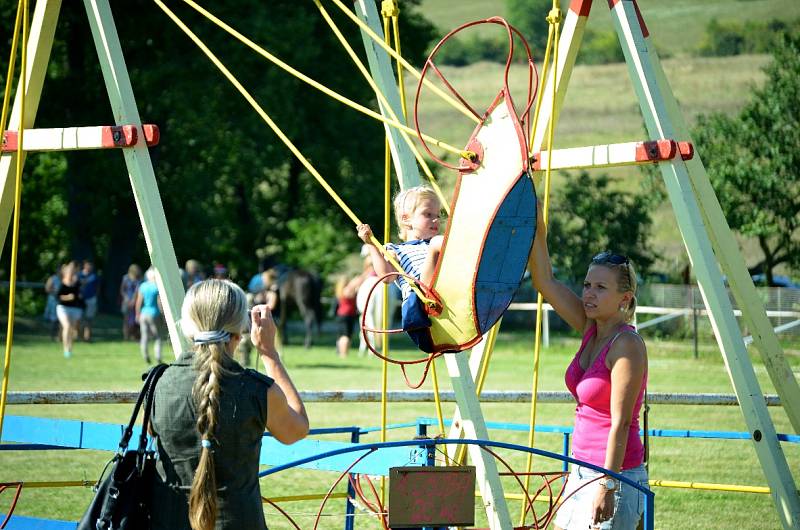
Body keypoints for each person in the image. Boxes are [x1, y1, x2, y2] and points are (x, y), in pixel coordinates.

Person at [148, 279, 309, 530]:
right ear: (241, 328)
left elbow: (152, 432)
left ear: (188, 325)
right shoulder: (257, 389)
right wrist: (269, 352)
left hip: (168, 520)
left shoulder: (158, 383)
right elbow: (296, 430)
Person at [528, 207, 648, 530]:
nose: (588, 293)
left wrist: (607, 485)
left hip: (615, 477)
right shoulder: (589, 327)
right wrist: (536, 224)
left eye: (600, 288)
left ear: (625, 298)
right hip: (579, 471)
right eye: (587, 284)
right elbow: (545, 281)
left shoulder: (627, 346)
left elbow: (621, 424)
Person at [356, 185, 443, 304]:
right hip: (421, 298)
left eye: (438, 215)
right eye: (428, 214)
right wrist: (371, 244)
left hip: (443, 292)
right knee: (438, 243)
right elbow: (387, 277)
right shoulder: (397, 250)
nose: (436, 220)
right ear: (406, 219)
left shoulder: (437, 246)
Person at [334, 271, 367, 358]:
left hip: (341, 315)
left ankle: (342, 353)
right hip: (347, 315)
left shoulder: (340, 290)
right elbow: (355, 284)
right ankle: (344, 354)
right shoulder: (347, 290)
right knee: (346, 336)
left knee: (343, 336)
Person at [55, 261, 84, 358]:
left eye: (73, 272)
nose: (71, 274)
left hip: (74, 308)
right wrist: (67, 297)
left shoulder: (76, 283)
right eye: (70, 272)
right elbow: (57, 297)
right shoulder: (62, 283)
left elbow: (78, 295)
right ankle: (65, 349)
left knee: (71, 330)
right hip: (62, 308)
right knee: (66, 326)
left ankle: (70, 348)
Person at [136, 268, 163, 364]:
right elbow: (159, 303)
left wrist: (137, 314)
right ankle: (158, 356)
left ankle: (145, 355)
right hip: (154, 313)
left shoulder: (143, 286)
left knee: (144, 336)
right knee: (158, 337)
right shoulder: (157, 287)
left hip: (144, 313)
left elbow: (139, 302)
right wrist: (162, 314)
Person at [119, 264, 143, 341]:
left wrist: (133, 300)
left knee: (135, 321)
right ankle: (126, 336)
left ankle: (134, 336)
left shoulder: (139, 279)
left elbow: (137, 291)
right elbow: (122, 290)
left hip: (136, 302)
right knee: (126, 320)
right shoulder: (125, 278)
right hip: (126, 301)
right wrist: (126, 299)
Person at [79, 260, 99, 342]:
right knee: (80, 318)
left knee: (89, 318)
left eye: (91, 265)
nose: (89, 267)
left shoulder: (94, 276)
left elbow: (97, 288)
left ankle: (87, 336)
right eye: (88, 265)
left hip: (91, 298)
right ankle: (79, 335)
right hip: (80, 299)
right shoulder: (79, 275)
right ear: (84, 265)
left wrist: (95, 296)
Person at [43, 266, 61, 341]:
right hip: (53, 300)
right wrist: (55, 292)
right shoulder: (53, 278)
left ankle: (59, 336)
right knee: (53, 319)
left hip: (62, 301)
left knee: (60, 320)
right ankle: (52, 336)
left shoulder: (64, 278)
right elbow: (47, 288)